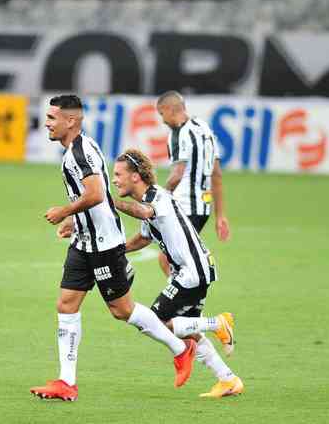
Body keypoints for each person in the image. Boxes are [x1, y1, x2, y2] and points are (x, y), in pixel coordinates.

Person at [30, 95, 196, 402]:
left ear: (71, 121)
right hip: (84, 243)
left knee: (123, 311)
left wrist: (65, 211)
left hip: (104, 247)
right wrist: (76, 223)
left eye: (53, 118)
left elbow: (95, 194)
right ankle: (67, 382)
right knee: (66, 304)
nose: (47, 123)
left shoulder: (78, 154)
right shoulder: (83, 146)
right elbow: (98, 197)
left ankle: (181, 347)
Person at [112, 148, 244, 398]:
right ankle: (228, 380)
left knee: (155, 321)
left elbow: (144, 213)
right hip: (196, 269)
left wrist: (108, 201)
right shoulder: (148, 201)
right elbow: (143, 237)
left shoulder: (157, 197)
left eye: (119, 174)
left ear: (136, 177)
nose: (114, 179)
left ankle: (218, 323)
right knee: (189, 332)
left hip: (192, 271)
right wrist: (117, 251)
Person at [156, 90, 230, 277]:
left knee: (168, 258)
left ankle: (183, 301)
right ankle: (184, 299)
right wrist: (220, 215)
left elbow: (177, 175)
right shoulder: (205, 129)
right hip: (203, 208)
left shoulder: (179, 133)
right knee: (178, 256)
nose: (163, 121)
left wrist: (159, 197)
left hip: (185, 205)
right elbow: (217, 174)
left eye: (162, 114)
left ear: (170, 110)